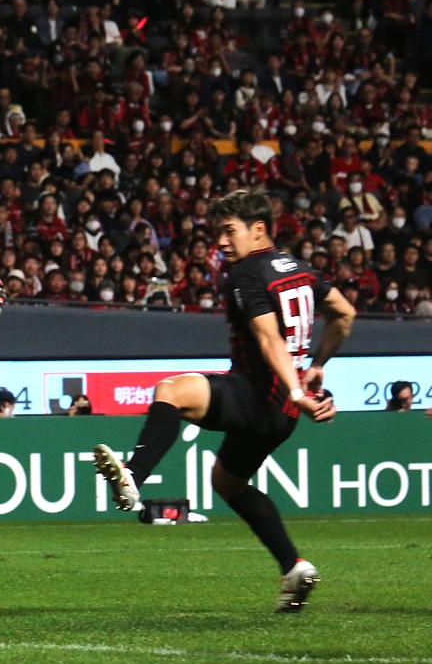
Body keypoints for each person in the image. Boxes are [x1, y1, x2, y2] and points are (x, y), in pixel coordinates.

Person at [94, 189, 356, 613]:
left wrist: (295, 388)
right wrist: (316, 366)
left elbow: (269, 339)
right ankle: (293, 566)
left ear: (258, 229)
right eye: (218, 231)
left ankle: (133, 475)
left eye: (229, 231)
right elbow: (344, 313)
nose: (221, 241)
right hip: (284, 414)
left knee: (170, 390)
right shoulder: (298, 268)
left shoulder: (246, 273)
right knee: (227, 483)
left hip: (259, 395)